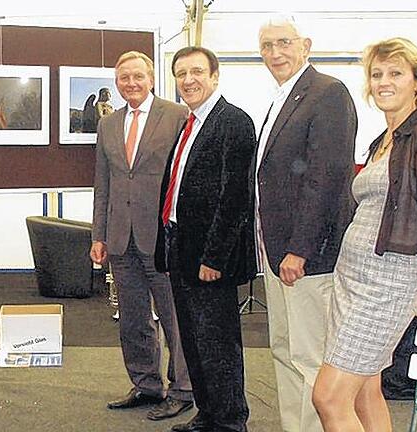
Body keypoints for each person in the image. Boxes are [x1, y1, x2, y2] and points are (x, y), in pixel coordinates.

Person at [312, 37, 417, 432]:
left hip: (389, 281)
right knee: (366, 388)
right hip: (352, 277)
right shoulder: (381, 142)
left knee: (329, 397)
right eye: (377, 73)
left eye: (396, 73)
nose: (384, 81)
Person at [253, 16, 357, 432]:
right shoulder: (284, 97)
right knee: (284, 350)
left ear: (305, 45)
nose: (275, 53)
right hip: (276, 253)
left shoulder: (328, 93)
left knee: (311, 358)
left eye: (283, 43)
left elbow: (326, 178)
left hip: (305, 259)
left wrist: (300, 250)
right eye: (266, 46)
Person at [155, 46, 256, 432]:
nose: (188, 80)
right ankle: (209, 413)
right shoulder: (189, 123)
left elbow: (235, 199)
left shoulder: (233, 122)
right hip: (179, 244)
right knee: (194, 341)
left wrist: (214, 258)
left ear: (215, 76)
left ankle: (231, 421)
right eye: (181, 74)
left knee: (218, 344)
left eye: (196, 71)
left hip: (210, 256)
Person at [91, 50, 193, 421]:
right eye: (124, 78)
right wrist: (98, 235)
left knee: (174, 317)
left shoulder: (177, 116)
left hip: (163, 237)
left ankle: (183, 388)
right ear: (117, 83)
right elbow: (103, 183)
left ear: (151, 78)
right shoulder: (108, 124)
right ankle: (146, 384)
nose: (131, 83)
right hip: (120, 238)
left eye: (137, 76)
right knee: (133, 318)